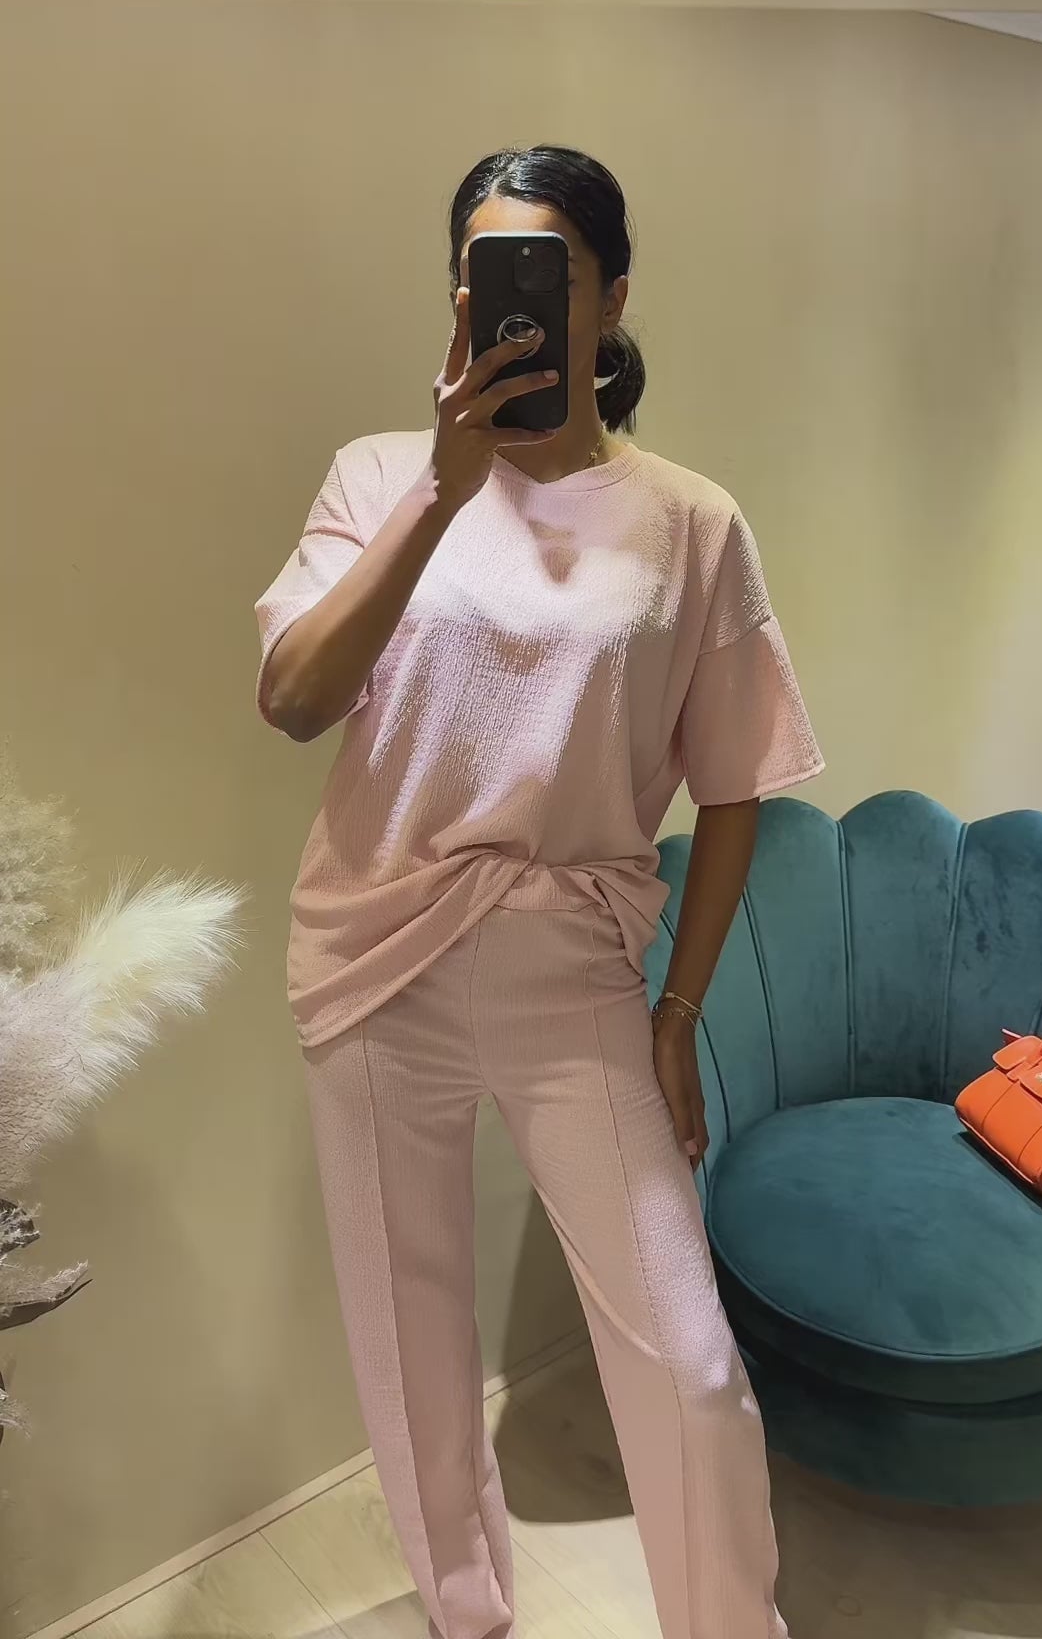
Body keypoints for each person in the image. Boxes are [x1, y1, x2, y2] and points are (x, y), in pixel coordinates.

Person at [255, 146, 823, 1639]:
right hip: (376, 960)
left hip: (574, 969)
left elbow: (737, 782)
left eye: (548, 271)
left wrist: (678, 1012)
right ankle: (470, 1618)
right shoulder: (378, 475)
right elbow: (295, 697)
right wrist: (439, 497)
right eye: (482, 273)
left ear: (610, 297)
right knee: (414, 1359)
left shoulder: (690, 520)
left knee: (690, 1367)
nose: (509, 301)